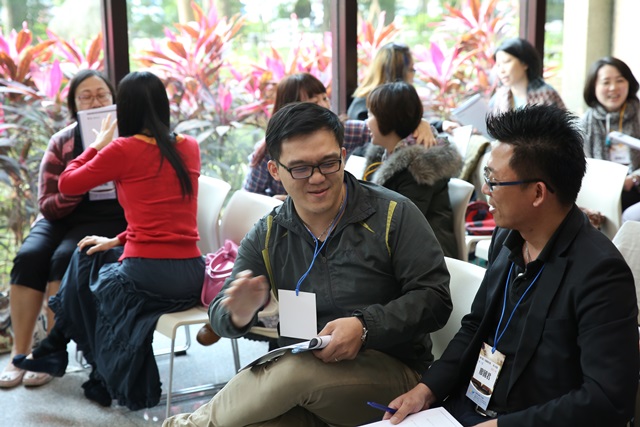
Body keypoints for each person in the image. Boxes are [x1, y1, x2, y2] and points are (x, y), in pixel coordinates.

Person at [164, 102, 453, 426]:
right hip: (304, 381)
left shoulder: (392, 215)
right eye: (300, 168)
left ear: (343, 155)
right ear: (275, 170)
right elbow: (220, 313)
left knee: (293, 372)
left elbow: (435, 298)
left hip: (393, 377)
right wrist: (238, 313)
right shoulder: (269, 233)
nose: (317, 178)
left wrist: (364, 327)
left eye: (328, 163)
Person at [383, 105, 638, 427]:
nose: (485, 190)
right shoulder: (507, 237)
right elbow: (476, 325)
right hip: (466, 408)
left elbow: (607, 399)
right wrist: (426, 389)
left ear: (537, 193)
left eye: (493, 180)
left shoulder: (600, 272)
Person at [12, 71, 204, 410]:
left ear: (122, 109)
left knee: (85, 279)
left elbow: (68, 183)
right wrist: (115, 239)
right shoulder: (188, 146)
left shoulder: (123, 149)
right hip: (191, 276)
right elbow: (168, 215)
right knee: (87, 252)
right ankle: (56, 349)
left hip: (149, 277)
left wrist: (96, 145)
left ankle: (92, 369)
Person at [0, 70, 127, 389]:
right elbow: (47, 204)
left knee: (63, 258)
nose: (95, 102)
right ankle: (19, 352)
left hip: (104, 218)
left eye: (102, 95)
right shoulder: (63, 141)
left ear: (113, 99)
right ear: (74, 105)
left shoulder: (128, 139)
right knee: (29, 257)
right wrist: (79, 184)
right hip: (58, 216)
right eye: (86, 97)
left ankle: (48, 352)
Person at [244, 73, 436, 199]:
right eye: (314, 101)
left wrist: (420, 123)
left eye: (325, 98)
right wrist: (277, 203)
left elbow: (386, 126)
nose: (324, 106)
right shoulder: (268, 149)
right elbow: (249, 197)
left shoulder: (342, 130)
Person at [364, 81, 463, 258]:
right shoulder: (387, 154)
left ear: (388, 118)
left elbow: (400, 227)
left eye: (371, 114)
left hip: (425, 260)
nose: (365, 121)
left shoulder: (417, 169)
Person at [348, 42, 458, 133]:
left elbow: (406, 126)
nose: (413, 75)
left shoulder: (378, 102)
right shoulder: (367, 109)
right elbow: (397, 133)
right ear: (397, 75)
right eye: (411, 69)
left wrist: (440, 125)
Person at [580, 57, 640, 215]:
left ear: (629, 83)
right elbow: (583, 166)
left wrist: (635, 178)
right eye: (606, 82)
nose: (613, 88)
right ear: (594, 86)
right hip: (602, 191)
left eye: (620, 80)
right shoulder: (586, 122)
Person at [489, 38, 565, 114]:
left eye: (506, 62)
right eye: (498, 65)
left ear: (524, 63)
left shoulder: (546, 95)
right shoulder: (500, 96)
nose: (501, 70)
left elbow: (565, 120)